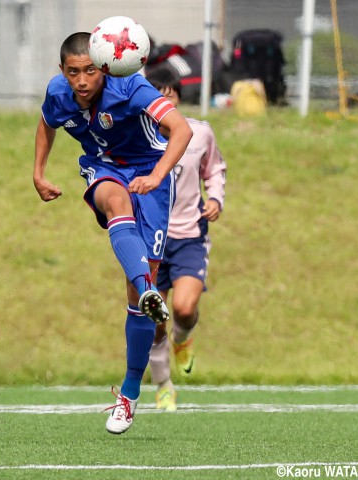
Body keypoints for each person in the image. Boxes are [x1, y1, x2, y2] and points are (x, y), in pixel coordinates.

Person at [33, 32, 193, 434]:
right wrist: (38, 172)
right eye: (74, 72)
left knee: (134, 300)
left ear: (103, 66)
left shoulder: (130, 86)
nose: (82, 80)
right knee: (113, 201)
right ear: (62, 71)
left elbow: (182, 130)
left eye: (90, 70)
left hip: (149, 171)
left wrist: (157, 176)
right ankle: (148, 288)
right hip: (104, 167)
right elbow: (46, 123)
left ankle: (130, 393)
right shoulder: (57, 92)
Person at [145, 73, 227, 412]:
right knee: (153, 317)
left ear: (177, 98)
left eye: (170, 96)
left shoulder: (200, 132)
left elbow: (215, 169)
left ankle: (182, 340)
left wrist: (216, 199)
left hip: (190, 234)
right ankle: (163, 383)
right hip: (150, 236)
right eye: (156, 97)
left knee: (183, 308)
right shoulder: (138, 136)